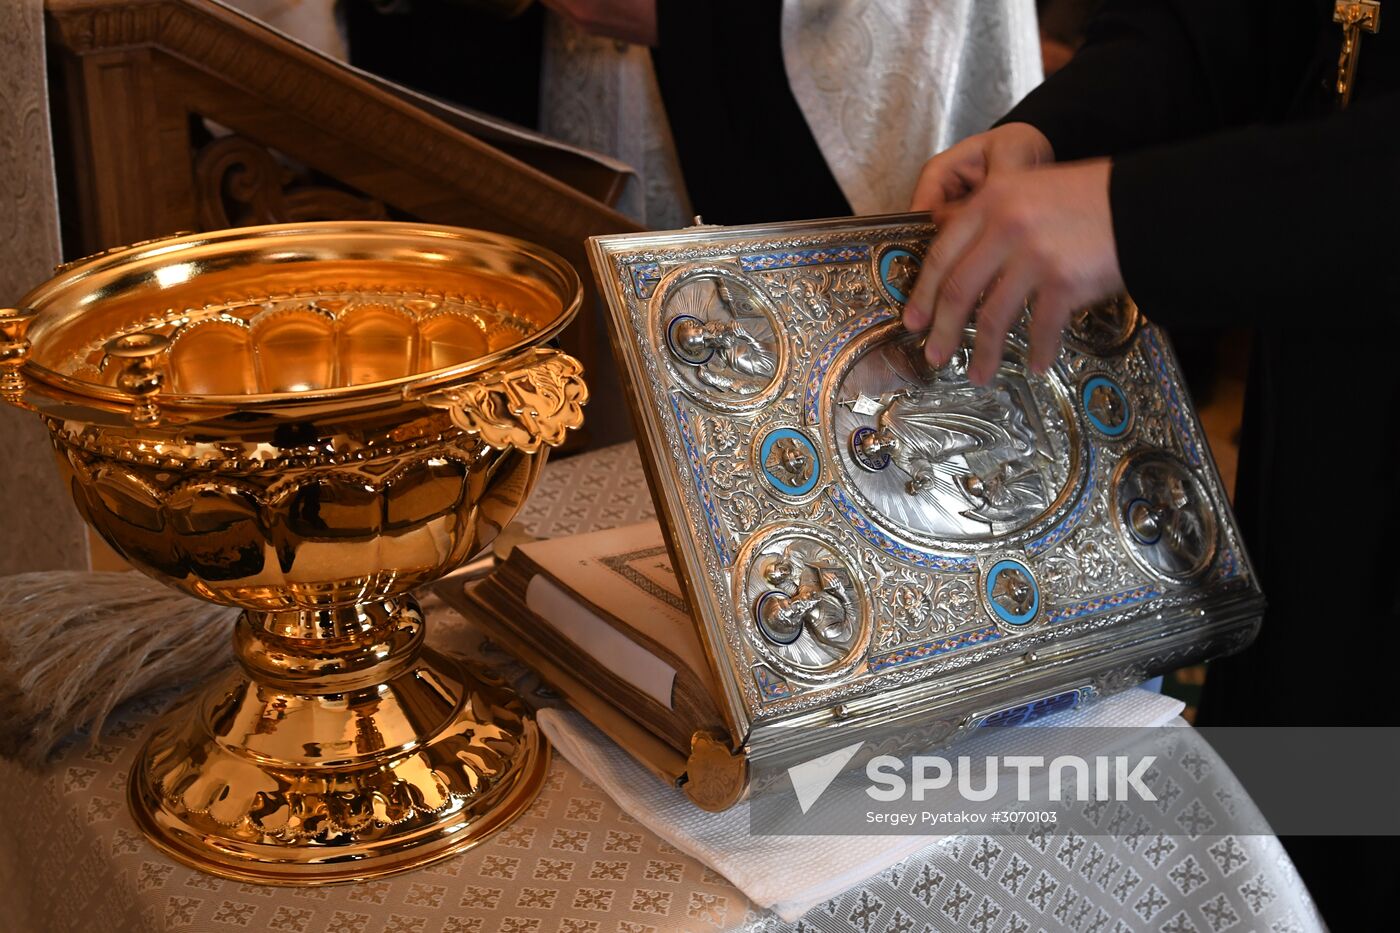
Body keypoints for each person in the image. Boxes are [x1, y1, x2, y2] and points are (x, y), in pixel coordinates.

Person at [902, 2, 1399, 924]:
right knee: (1302, 820)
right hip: (1324, 432)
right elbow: (1277, 27)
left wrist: (1134, 211)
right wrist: (1058, 129)